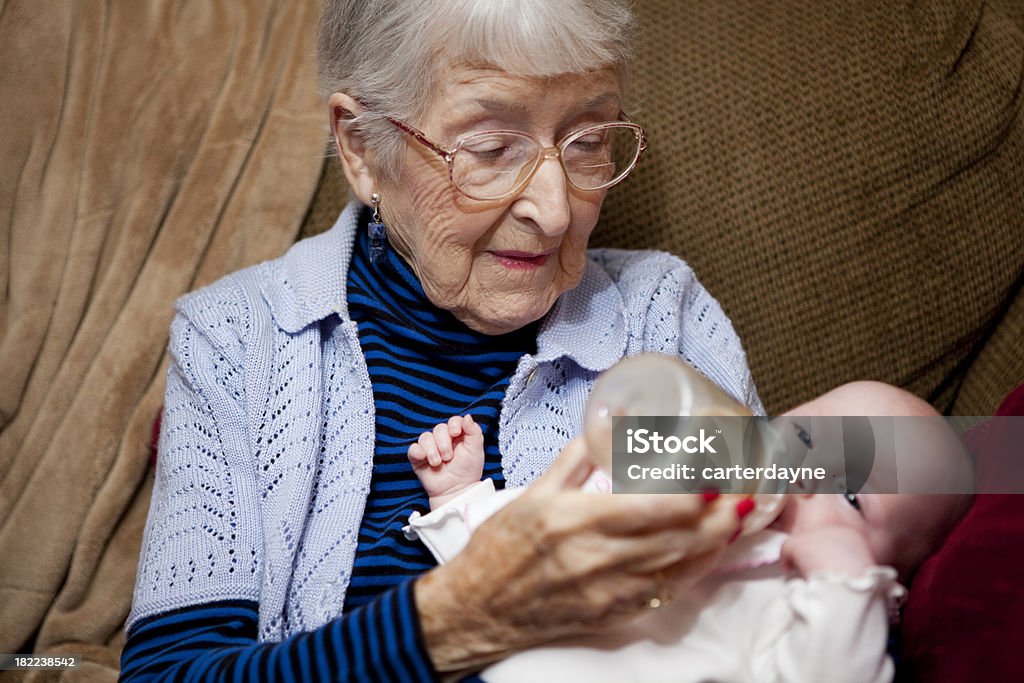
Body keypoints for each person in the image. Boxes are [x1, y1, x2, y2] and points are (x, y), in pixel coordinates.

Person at [119, 1, 764, 681]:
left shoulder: (656, 312)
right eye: (491, 149)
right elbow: (170, 671)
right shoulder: (236, 340)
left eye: (588, 140)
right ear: (363, 147)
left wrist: (824, 458)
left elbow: (841, 488)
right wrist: (459, 616)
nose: (554, 210)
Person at [405, 381, 974, 682]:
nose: (806, 476)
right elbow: (534, 547)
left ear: (890, 575)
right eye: (804, 438)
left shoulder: (813, 607)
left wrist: (845, 589)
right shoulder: (684, 489)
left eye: (850, 495)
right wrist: (463, 502)